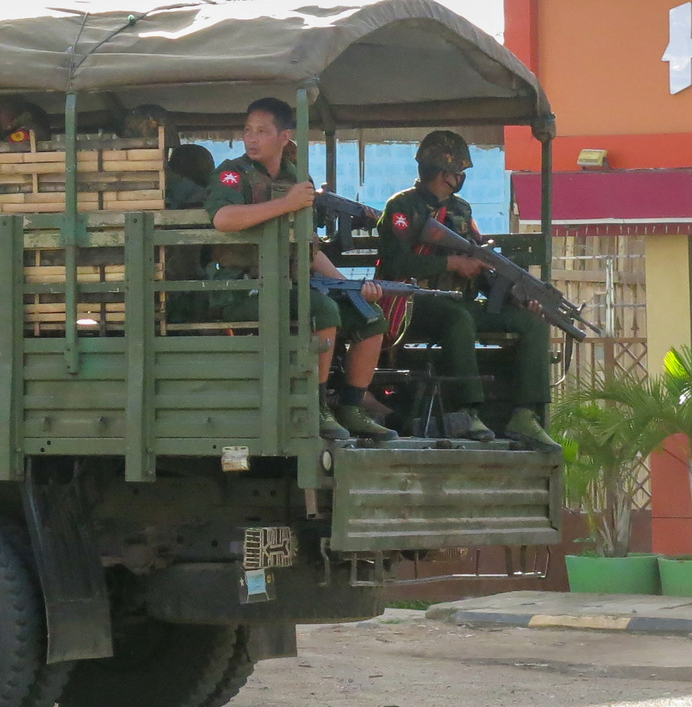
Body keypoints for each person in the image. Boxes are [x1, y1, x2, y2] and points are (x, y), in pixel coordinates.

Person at [203, 97, 395, 441]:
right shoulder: (233, 172)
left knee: (370, 316)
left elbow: (309, 247)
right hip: (240, 287)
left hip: (288, 284)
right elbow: (223, 219)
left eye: (262, 131)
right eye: (248, 130)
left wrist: (351, 287)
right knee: (321, 309)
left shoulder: (296, 176)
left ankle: (351, 408)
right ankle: (315, 407)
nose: (252, 138)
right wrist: (286, 204)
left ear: (284, 136)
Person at [375, 131, 558, 451]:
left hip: (459, 303)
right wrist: (451, 265)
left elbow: (478, 259)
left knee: (530, 323)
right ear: (441, 173)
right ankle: (468, 411)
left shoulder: (461, 210)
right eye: (457, 172)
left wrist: (518, 296)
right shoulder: (402, 207)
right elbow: (395, 262)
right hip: (411, 306)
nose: (460, 178)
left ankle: (525, 415)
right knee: (458, 317)